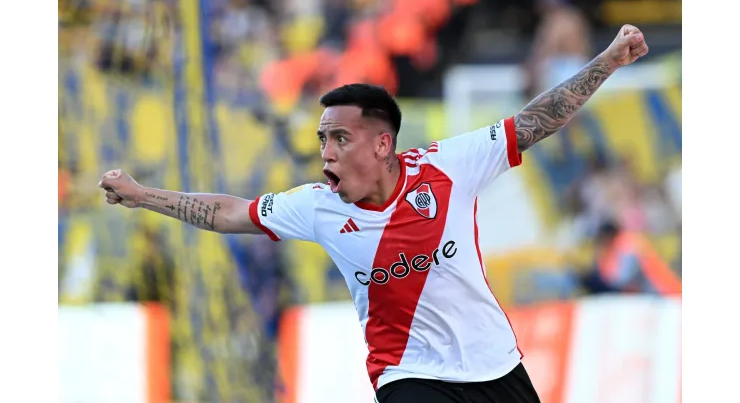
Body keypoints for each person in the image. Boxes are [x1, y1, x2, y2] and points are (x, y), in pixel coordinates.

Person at [99, 25, 649, 403]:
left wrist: (608, 60)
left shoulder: (450, 167)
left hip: (494, 364)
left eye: (340, 138)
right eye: (322, 140)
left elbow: (537, 121)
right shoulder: (315, 207)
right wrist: (144, 195)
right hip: (407, 374)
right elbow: (230, 213)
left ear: (383, 145)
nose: (327, 153)